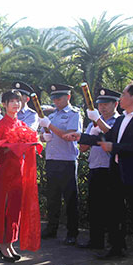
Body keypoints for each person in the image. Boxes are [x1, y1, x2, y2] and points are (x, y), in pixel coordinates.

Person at [66, 82, 133, 265]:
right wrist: (82, 137)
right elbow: (108, 138)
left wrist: (115, 148)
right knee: (115, 211)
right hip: (117, 171)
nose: (121, 98)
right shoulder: (122, 119)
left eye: (125, 94)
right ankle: (117, 247)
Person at [0, 90, 40, 262]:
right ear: (4, 104)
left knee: (15, 209)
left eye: (17, 101)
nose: (15, 104)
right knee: (2, 208)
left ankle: (11, 242)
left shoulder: (22, 125)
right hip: (5, 171)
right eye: (11, 101)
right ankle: (2, 245)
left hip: (19, 171)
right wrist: (7, 147)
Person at [37, 83, 82, 245]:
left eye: (59, 98)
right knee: (53, 197)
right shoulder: (53, 115)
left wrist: (49, 126)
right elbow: (45, 135)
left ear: (68, 97)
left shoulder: (74, 114)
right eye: (54, 98)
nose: (55, 101)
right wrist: (44, 137)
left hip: (67, 160)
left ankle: (72, 232)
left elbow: (69, 135)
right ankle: (52, 228)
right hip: (52, 159)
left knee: (70, 198)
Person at [77, 88, 121, 251]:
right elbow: (82, 148)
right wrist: (88, 133)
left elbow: (113, 138)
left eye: (106, 104)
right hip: (95, 166)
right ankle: (96, 240)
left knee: (111, 208)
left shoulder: (119, 121)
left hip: (110, 169)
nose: (102, 107)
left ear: (115, 104)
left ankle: (114, 243)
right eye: (100, 104)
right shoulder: (94, 122)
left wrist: (100, 128)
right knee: (95, 207)